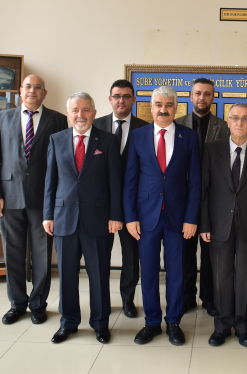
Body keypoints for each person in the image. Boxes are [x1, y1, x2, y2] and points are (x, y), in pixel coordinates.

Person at [0, 74, 68, 326]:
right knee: (13, 253)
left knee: (42, 254)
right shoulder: (3, 117)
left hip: (44, 199)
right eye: (28, 87)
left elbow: (62, 161)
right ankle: (17, 304)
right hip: (9, 198)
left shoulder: (58, 119)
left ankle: (38, 304)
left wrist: (58, 199)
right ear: (20, 91)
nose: (33, 91)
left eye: (38, 87)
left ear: (45, 93)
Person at [43, 92, 124, 344]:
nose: (80, 115)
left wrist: (116, 215)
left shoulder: (108, 141)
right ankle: (68, 322)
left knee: (99, 274)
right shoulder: (56, 139)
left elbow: (115, 182)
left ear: (94, 113)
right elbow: (50, 181)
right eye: (75, 110)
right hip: (64, 217)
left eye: (86, 110)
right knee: (67, 275)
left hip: (98, 219)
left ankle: (100, 324)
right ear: (68, 114)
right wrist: (48, 215)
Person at [123, 86, 201, 346]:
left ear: (176, 108)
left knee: (176, 271)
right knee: (148, 271)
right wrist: (130, 217)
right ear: (151, 107)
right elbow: (130, 180)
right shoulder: (138, 136)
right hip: (146, 217)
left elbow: (195, 182)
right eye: (158, 104)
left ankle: (173, 321)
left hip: (178, 218)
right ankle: (152, 322)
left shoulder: (189, 137)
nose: (163, 110)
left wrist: (191, 218)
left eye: (168, 105)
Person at [200, 103, 247, 347]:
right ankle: (222, 326)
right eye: (235, 118)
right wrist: (204, 225)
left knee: (245, 277)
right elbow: (204, 191)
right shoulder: (212, 149)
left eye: (245, 119)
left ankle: (243, 326)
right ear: (228, 121)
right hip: (218, 224)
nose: (240, 123)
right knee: (221, 277)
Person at [92, 79, 148, 319]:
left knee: (131, 256)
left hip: (133, 205)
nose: (121, 101)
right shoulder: (95, 125)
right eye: (117, 96)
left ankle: (128, 300)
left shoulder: (145, 128)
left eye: (126, 96)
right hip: (100, 203)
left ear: (133, 99)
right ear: (110, 99)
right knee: (99, 256)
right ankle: (101, 300)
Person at [176, 77, 229, 316]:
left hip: (213, 200)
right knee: (185, 253)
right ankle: (187, 297)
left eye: (207, 94)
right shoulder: (177, 125)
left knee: (210, 254)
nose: (202, 98)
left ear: (213, 97)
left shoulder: (224, 126)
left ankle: (209, 298)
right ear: (191, 96)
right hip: (183, 199)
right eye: (198, 93)